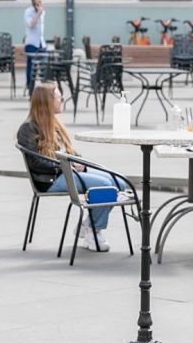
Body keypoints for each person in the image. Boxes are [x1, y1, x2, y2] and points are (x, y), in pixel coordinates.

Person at [16, 83, 129, 252]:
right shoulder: (28, 128)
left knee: (119, 182)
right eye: (58, 97)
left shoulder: (54, 124)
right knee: (107, 185)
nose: (62, 100)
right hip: (51, 180)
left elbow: (69, 151)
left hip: (67, 172)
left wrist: (78, 161)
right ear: (47, 101)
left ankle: (88, 224)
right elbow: (35, 162)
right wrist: (65, 166)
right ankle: (93, 231)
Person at [23, 0, 45, 90]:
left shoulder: (43, 12)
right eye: (38, 2)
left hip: (41, 42)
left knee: (45, 63)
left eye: (41, 2)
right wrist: (38, 13)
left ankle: (45, 85)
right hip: (31, 43)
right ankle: (30, 85)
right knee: (31, 65)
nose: (40, 4)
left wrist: (40, 12)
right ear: (34, 3)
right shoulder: (28, 11)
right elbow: (31, 24)